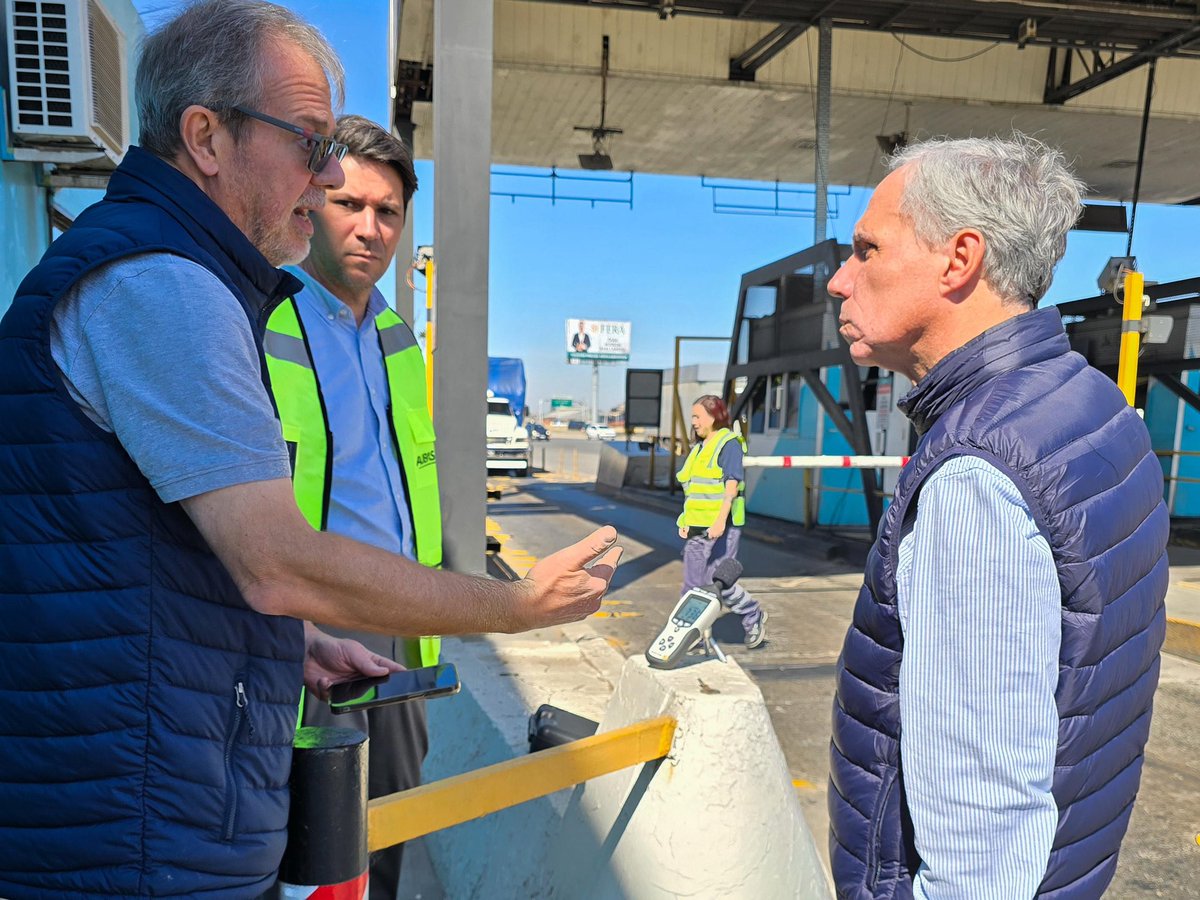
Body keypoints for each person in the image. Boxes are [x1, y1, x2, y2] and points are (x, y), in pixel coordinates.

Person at [0, 2, 620, 898]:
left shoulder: (219, 287)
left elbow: (158, 545)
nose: (328, 179)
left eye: (382, 204)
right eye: (312, 145)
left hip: (206, 726)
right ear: (206, 138)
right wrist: (517, 604)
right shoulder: (168, 287)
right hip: (138, 816)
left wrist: (286, 641)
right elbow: (274, 561)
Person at [826, 134, 1168, 899]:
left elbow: (982, 843)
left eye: (868, 249)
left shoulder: (976, 477)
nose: (841, 280)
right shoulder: (1086, 400)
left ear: (960, 259)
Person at [265, 114, 436, 900]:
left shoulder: (399, 338)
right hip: (308, 620)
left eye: (388, 211)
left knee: (391, 822)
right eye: (350, 204)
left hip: (399, 616)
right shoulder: (264, 316)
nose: (371, 228)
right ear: (311, 201)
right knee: (312, 839)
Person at [675, 395, 767, 648]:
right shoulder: (699, 448)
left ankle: (752, 615)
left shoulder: (728, 444)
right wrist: (685, 520)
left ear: (714, 416)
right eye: (692, 417)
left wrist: (719, 521)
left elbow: (731, 487)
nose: (694, 422)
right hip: (696, 527)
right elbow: (692, 490)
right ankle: (690, 636)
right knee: (692, 587)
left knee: (720, 583)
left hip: (722, 527)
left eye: (698, 417)